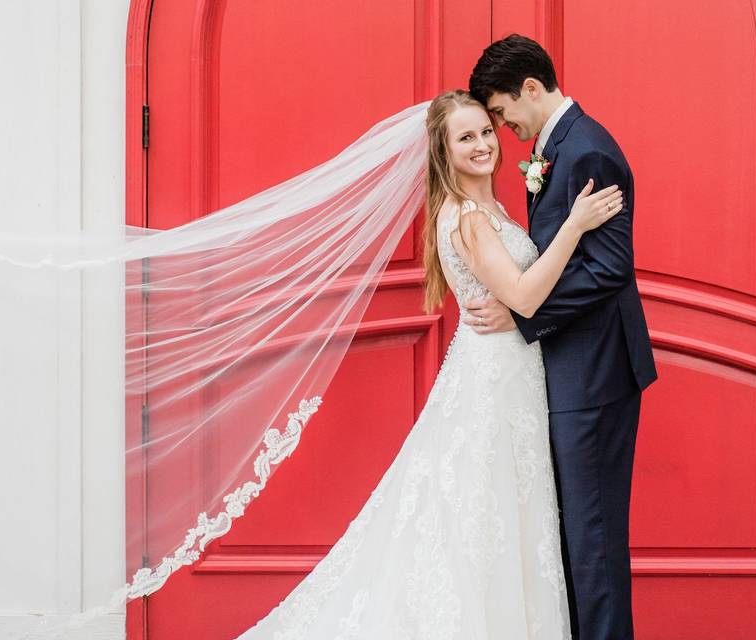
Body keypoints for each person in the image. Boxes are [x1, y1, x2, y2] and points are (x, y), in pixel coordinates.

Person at [234, 90, 623, 639]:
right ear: (442, 151)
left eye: (487, 132)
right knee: (482, 513)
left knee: (500, 511)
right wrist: (576, 225)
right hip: (493, 382)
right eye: (466, 138)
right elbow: (525, 298)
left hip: (509, 375)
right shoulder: (466, 217)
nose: (484, 144)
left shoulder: (488, 210)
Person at [467, 34, 658, 640]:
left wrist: (523, 316)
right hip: (573, 369)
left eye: (501, 112)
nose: (501, 128)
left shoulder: (587, 152)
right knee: (576, 539)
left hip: (595, 375)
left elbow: (607, 268)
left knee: (593, 542)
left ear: (530, 87)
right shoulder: (561, 148)